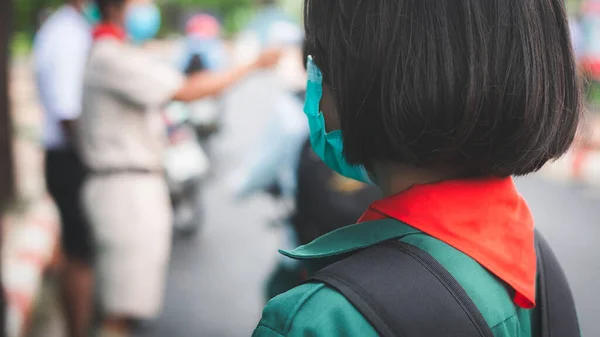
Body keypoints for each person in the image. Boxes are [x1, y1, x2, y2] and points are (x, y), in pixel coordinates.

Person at [253, 0, 582, 336]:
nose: (313, 83)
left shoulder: (319, 321)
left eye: (318, 61)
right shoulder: (529, 254)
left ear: (360, 79)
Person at [78, 1, 281, 336]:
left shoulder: (121, 51)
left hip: (133, 186)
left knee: (128, 307)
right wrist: (253, 65)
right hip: (125, 191)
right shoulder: (111, 56)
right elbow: (185, 89)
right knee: (120, 313)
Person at [33, 2, 95, 336]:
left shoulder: (65, 28)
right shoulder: (68, 34)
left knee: (74, 250)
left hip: (65, 155)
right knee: (79, 253)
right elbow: (67, 109)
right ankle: (78, 328)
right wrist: (94, 155)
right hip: (70, 157)